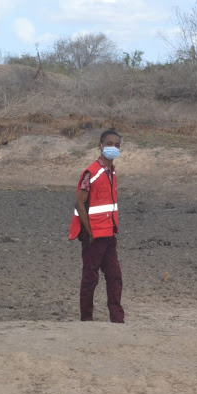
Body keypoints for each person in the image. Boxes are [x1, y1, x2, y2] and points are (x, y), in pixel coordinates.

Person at [68, 130, 124, 323]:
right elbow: (79, 203)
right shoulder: (91, 172)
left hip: (109, 233)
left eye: (117, 145)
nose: (113, 147)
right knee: (90, 278)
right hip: (93, 236)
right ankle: (86, 319)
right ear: (100, 146)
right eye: (109, 143)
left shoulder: (112, 172)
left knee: (115, 276)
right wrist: (90, 233)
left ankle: (117, 319)